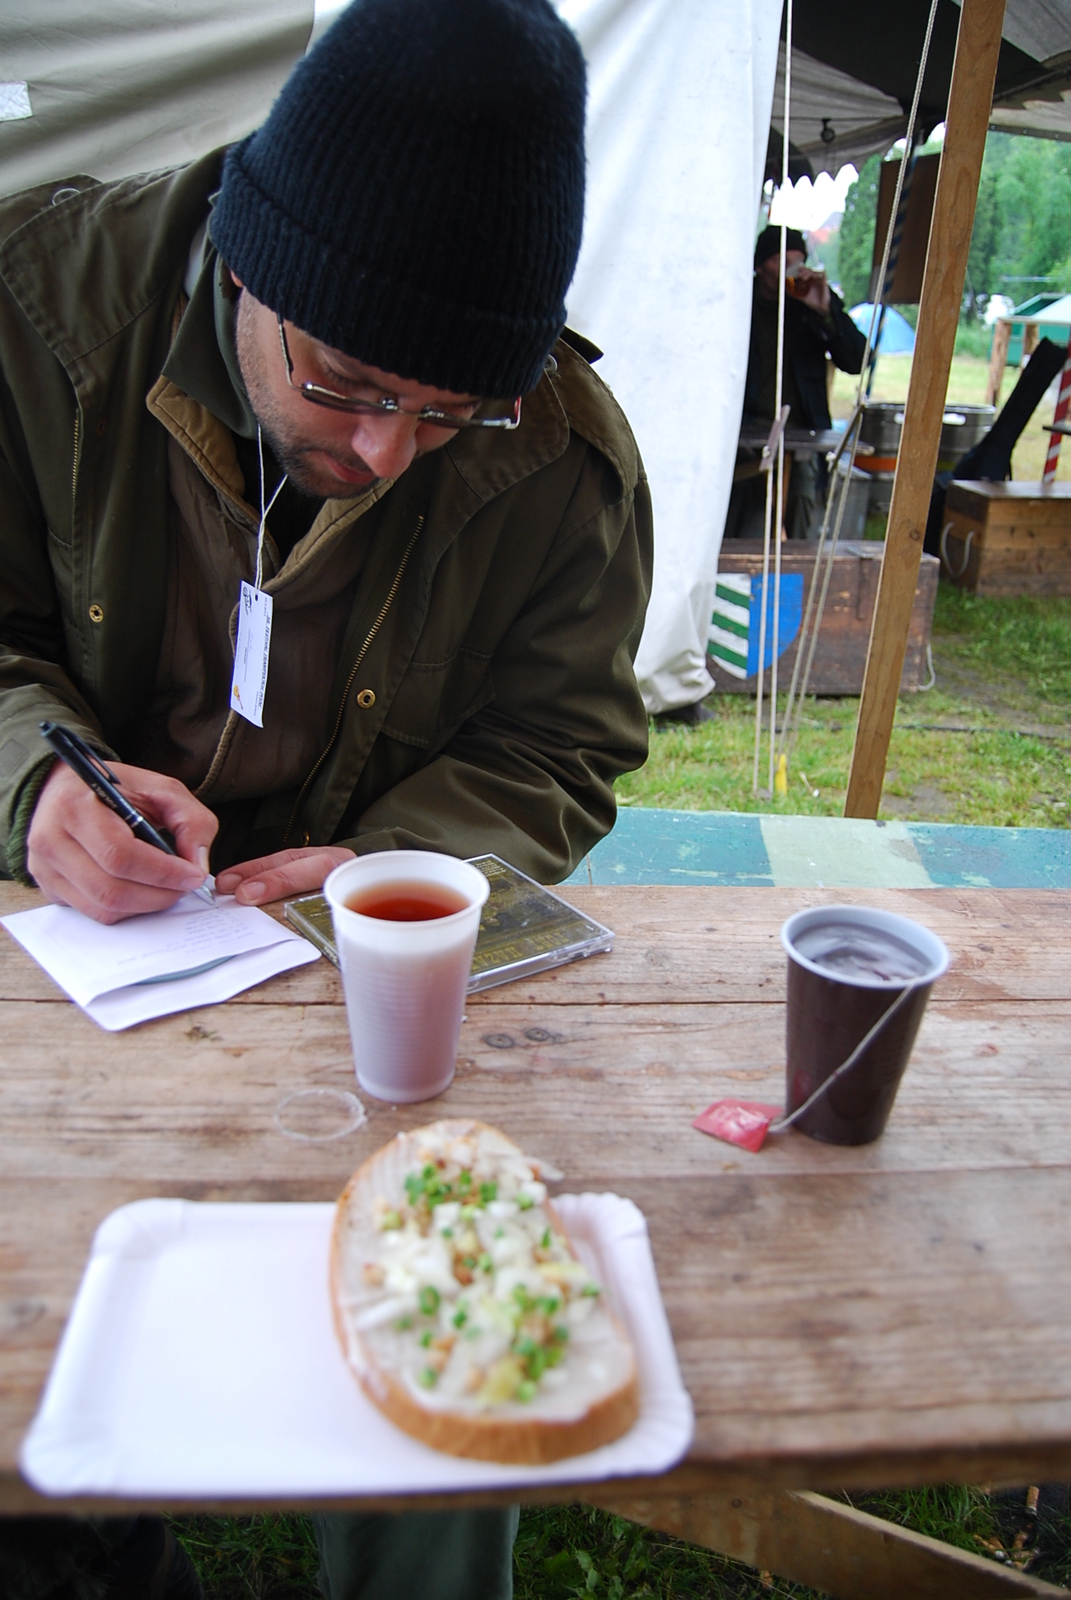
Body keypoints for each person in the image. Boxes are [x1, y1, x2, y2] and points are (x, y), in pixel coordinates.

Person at [0, 0, 652, 1594]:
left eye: (448, 410)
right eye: (347, 381)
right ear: (246, 261)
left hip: (350, 963)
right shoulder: (33, 315)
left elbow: (559, 742)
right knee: (38, 1355)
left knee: (453, 1309)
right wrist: (30, 782)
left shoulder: (558, 451)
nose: (386, 450)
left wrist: (392, 868)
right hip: (58, 942)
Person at [724, 224, 866, 541]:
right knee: (743, 502)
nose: (792, 269)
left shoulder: (810, 304)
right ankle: (734, 560)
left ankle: (794, 562)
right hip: (744, 429)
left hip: (800, 432)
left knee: (801, 493)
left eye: (798, 261)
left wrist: (825, 311)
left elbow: (856, 360)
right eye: (782, 260)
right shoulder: (737, 303)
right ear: (760, 265)